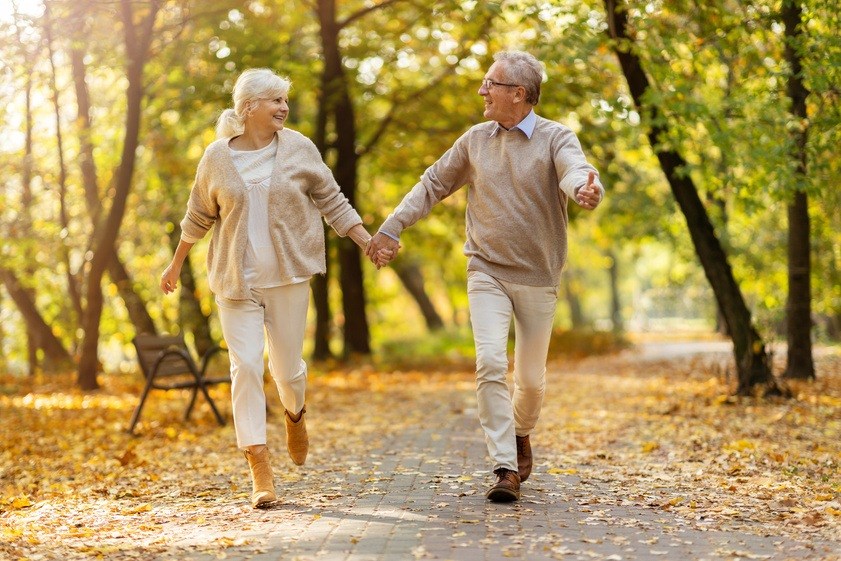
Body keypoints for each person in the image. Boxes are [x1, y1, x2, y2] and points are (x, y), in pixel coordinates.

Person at [366, 51, 604, 502]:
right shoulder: (476, 140)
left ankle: (521, 432)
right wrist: (391, 226)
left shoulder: (556, 137)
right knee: (491, 362)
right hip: (486, 269)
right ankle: (504, 468)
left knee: (530, 382)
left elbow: (577, 171)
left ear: (519, 93)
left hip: (538, 275)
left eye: (489, 83)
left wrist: (586, 190)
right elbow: (433, 183)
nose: (481, 90)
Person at [160, 68, 392, 508]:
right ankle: (259, 466)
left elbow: (332, 199)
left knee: (286, 371)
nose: (284, 107)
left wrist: (366, 243)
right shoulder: (216, 157)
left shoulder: (299, 148)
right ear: (249, 108)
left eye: (285, 100)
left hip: (288, 277)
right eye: (275, 101)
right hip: (235, 281)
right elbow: (197, 216)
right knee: (245, 367)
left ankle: (294, 412)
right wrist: (175, 266)